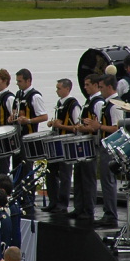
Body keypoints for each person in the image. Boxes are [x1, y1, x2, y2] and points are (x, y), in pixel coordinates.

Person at [90, 74, 123, 228]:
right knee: (105, 180)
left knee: (108, 181)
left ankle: (111, 215)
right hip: (105, 145)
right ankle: (108, 212)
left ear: (110, 87)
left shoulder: (115, 105)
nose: (100, 90)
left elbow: (117, 127)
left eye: (102, 87)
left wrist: (99, 127)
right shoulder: (107, 104)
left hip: (110, 147)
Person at [71, 74, 104, 223]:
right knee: (78, 176)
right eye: (84, 85)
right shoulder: (88, 101)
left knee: (88, 178)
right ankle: (79, 207)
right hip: (82, 144)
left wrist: (83, 128)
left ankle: (88, 210)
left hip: (91, 144)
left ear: (97, 85)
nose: (85, 87)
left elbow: (97, 125)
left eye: (88, 85)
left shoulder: (98, 103)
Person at [44, 78, 81, 214]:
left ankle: (63, 203)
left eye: (59, 88)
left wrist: (61, 126)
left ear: (67, 89)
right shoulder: (59, 103)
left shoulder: (73, 105)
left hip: (67, 143)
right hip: (57, 141)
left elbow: (78, 127)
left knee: (65, 174)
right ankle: (53, 201)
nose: (57, 91)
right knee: (51, 171)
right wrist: (53, 124)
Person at [12, 69, 47, 182]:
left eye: (20, 81)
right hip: (18, 136)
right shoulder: (18, 94)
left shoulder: (35, 96)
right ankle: (17, 193)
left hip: (29, 136)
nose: (17, 83)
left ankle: (29, 196)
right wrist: (12, 117)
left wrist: (29, 120)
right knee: (16, 166)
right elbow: (14, 111)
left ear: (28, 81)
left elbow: (44, 116)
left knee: (27, 167)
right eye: (17, 81)